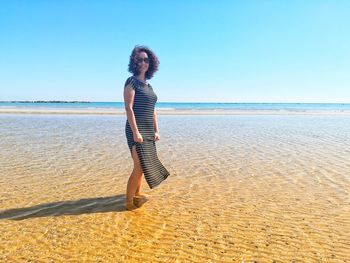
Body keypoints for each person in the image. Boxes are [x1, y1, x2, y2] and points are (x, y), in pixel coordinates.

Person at [123, 45, 170, 211]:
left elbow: (153, 110)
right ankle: (128, 202)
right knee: (138, 166)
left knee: (143, 167)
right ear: (135, 61)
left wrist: (157, 130)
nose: (144, 62)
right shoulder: (131, 82)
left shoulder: (149, 86)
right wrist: (135, 131)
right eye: (141, 59)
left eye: (147, 60)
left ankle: (136, 195)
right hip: (136, 129)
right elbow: (129, 108)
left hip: (149, 130)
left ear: (151, 63)